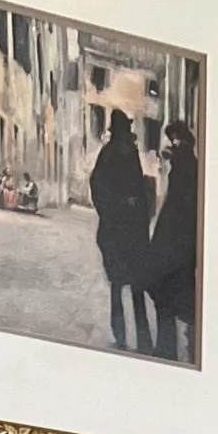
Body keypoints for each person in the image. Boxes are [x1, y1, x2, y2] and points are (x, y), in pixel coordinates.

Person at [89, 111, 154, 352]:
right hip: (118, 231)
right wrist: (119, 205)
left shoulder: (127, 151)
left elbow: (134, 187)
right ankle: (125, 338)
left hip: (129, 232)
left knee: (130, 287)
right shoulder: (111, 153)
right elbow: (98, 186)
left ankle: (137, 338)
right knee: (121, 286)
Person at [148, 116, 199, 363]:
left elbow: (178, 207)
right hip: (179, 241)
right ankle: (172, 349)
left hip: (176, 242)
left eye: (174, 140)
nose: (171, 144)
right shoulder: (186, 163)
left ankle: (169, 350)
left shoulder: (185, 164)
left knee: (168, 296)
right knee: (173, 299)